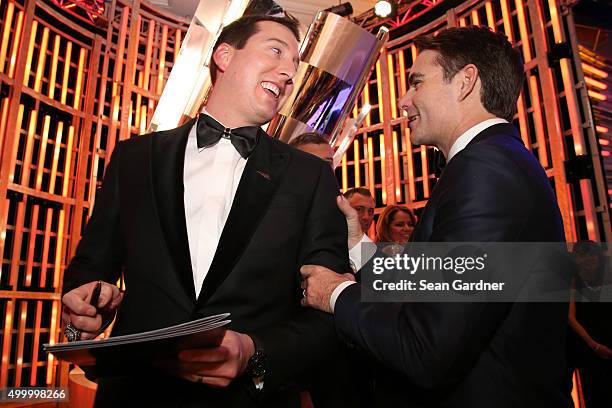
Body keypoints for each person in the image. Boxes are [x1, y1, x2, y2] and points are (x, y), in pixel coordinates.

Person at [61, 15, 350, 407]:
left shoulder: (311, 176)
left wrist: (255, 351)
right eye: (276, 51)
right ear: (225, 56)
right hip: (135, 394)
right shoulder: (134, 158)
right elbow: (91, 266)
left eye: (295, 66)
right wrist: (86, 304)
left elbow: (326, 312)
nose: (288, 72)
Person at [300, 26, 569, 407]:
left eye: (416, 82)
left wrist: (335, 294)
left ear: (465, 82)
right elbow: (434, 282)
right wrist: (358, 244)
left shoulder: (485, 170)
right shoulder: (495, 161)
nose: (404, 100)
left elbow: (425, 347)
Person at [568, 241, 612, 407]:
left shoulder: (607, 277)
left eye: (593, 254)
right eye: (584, 255)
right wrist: (594, 346)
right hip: (588, 347)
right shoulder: (572, 282)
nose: (590, 258)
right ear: (576, 259)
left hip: (607, 340)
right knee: (596, 394)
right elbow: (570, 318)